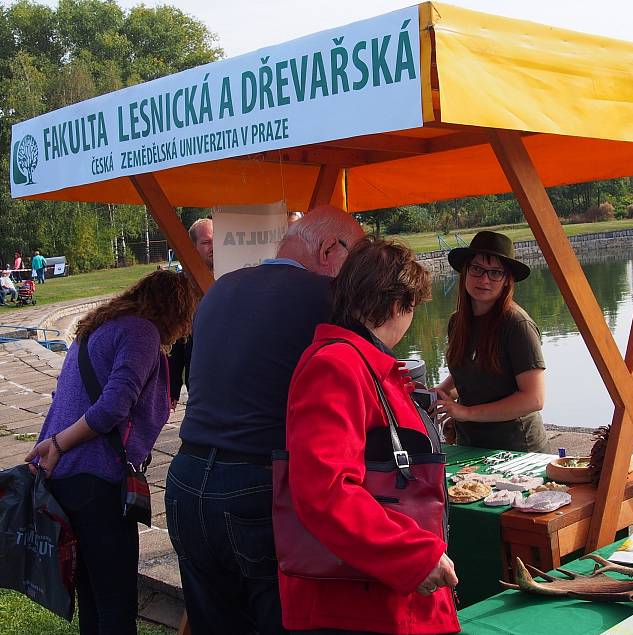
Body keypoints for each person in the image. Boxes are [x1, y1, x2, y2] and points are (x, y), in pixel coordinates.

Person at [165, 205, 363, 635]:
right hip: (257, 481)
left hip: (186, 477)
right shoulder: (327, 299)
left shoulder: (220, 289)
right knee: (281, 620)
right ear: (330, 248)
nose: (357, 274)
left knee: (214, 623)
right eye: (357, 258)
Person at [280, 238, 459, 634]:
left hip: (376, 594)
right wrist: (414, 557)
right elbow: (324, 492)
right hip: (358, 606)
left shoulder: (359, 361)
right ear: (398, 304)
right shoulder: (336, 366)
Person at [24, 270, 199, 634]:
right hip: (96, 480)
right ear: (176, 310)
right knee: (117, 604)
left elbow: (66, 399)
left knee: (92, 595)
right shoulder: (141, 333)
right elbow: (111, 408)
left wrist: (53, 447)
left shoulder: (97, 328)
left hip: (65, 477)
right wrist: (57, 443)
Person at [433, 231, 548, 452]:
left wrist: (465, 413)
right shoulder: (457, 322)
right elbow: (471, 371)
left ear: (507, 281)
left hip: (517, 451)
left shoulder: (517, 325)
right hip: (470, 446)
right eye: (477, 269)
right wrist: (442, 392)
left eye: (495, 273)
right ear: (465, 272)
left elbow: (534, 398)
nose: (484, 279)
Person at [168, 217, 213, 408]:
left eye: (216, 240)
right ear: (193, 247)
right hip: (199, 381)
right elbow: (176, 341)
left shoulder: (234, 278)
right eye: (206, 242)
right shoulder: (182, 288)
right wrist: (172, 390)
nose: (213, 247)